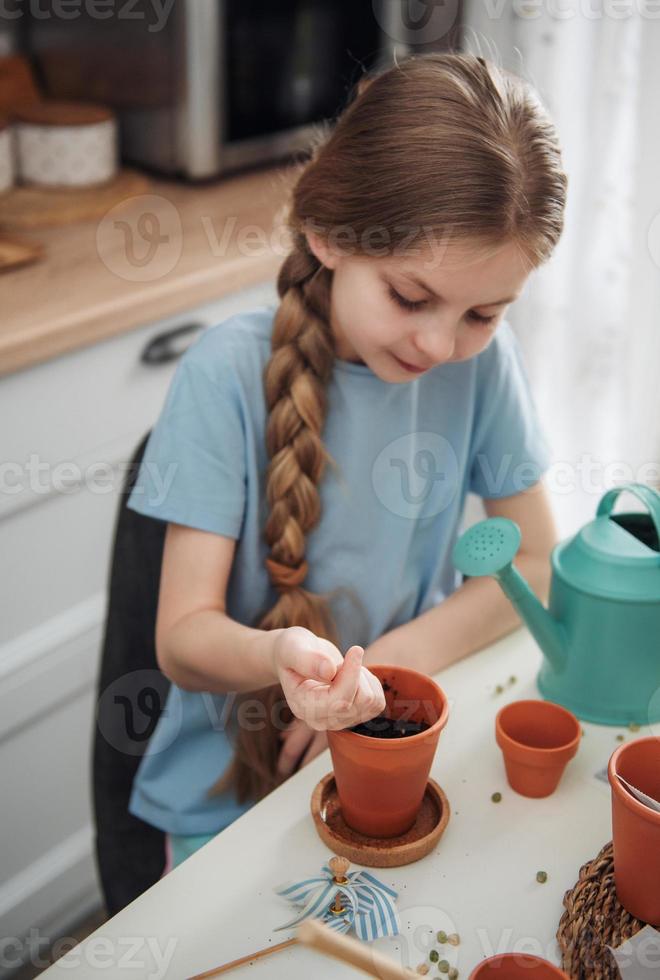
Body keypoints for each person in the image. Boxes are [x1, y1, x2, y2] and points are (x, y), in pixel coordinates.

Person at [125, 51, 566, 870]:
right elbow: (183, 638)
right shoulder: (225, 375)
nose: (440, 343)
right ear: (328, 233)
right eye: (410, 297)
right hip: (227, 797)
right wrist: (274, 660)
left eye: (484, 313)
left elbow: (536, 564)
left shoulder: (483, 368)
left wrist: (389, 669)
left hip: (392, 749)